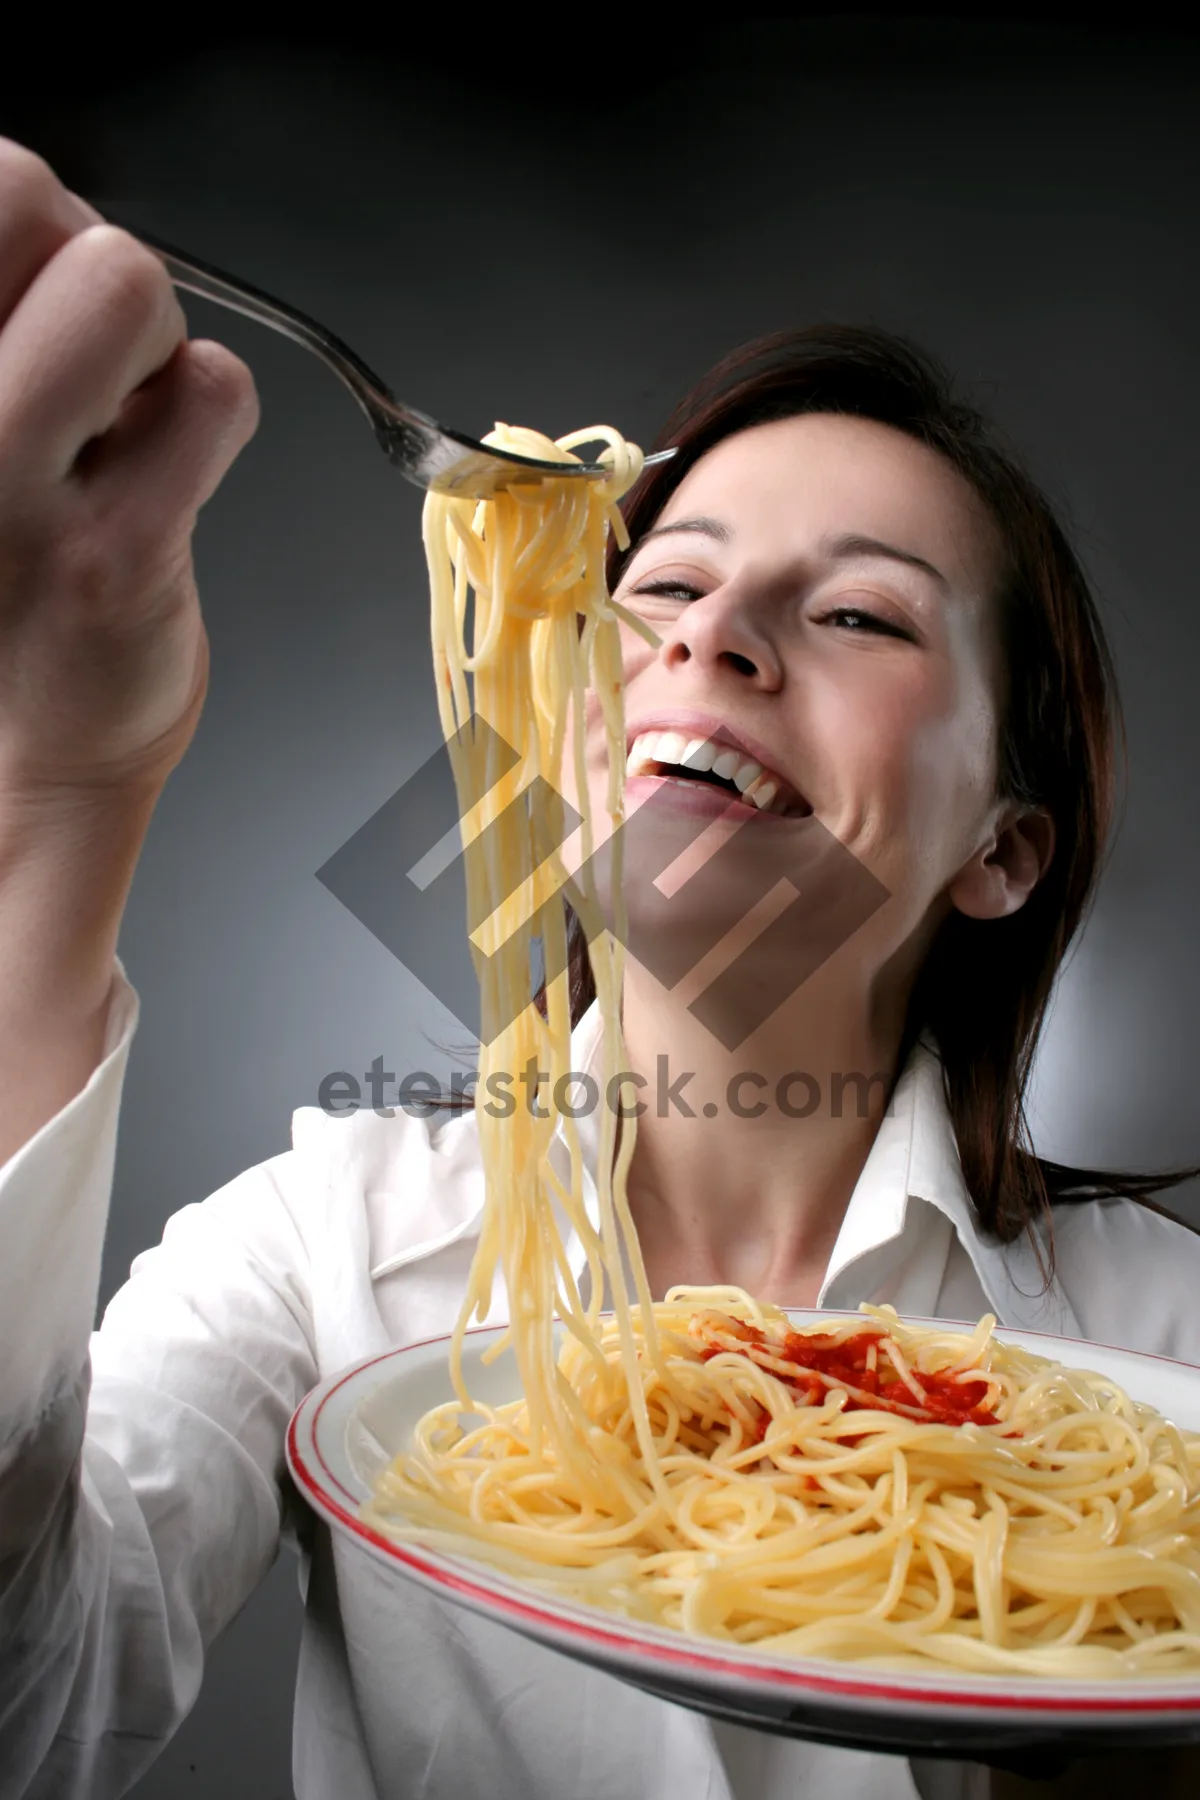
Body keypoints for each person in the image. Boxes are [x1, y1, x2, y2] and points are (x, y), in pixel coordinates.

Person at [0, 136, 1197, 1800]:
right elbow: (31, 1716)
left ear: (1004, 846)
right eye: (668, 583)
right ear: (564, 730)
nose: (712, 635)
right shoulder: (323, 1246)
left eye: (859, 615)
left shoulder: (1163, 1344)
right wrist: (62, 787)